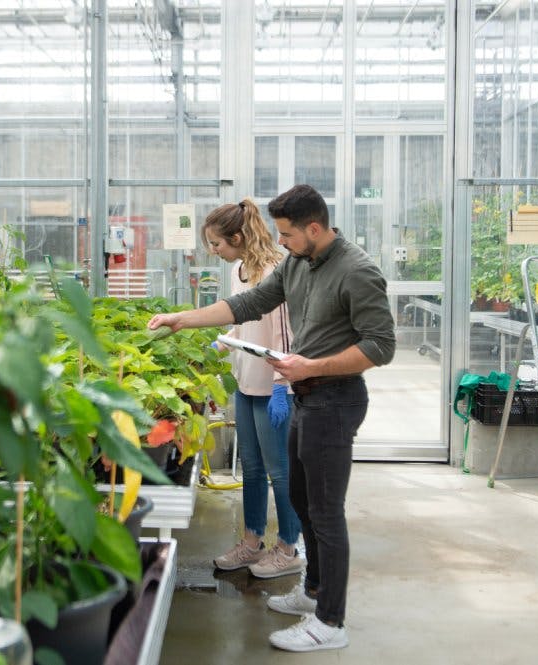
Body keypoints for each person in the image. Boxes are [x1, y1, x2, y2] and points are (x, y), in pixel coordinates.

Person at [148, 184, 395, 653]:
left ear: (314, 228)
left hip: (335, 399)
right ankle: (315, 591)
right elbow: (248, 304)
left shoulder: (357, 271)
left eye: (287, 234)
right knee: (302, 502)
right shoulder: (300, 264)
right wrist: (182, 317)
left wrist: (311, 367)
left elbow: (381, 346)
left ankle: (330, 622)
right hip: (306, 396)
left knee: (325, 512)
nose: (280, 242)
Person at [203, 198, 304, 579]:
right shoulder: (240, 270)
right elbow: (244, 324)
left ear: (238, 236)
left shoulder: (275, 269)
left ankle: (289, 547)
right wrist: (221, 342)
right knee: (252, 468)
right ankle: (251, 542)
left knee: (281, 471)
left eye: (217, 244)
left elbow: (284, 335)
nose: (214, 251)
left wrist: (281, 386)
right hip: (246, 383)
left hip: (275, 387)